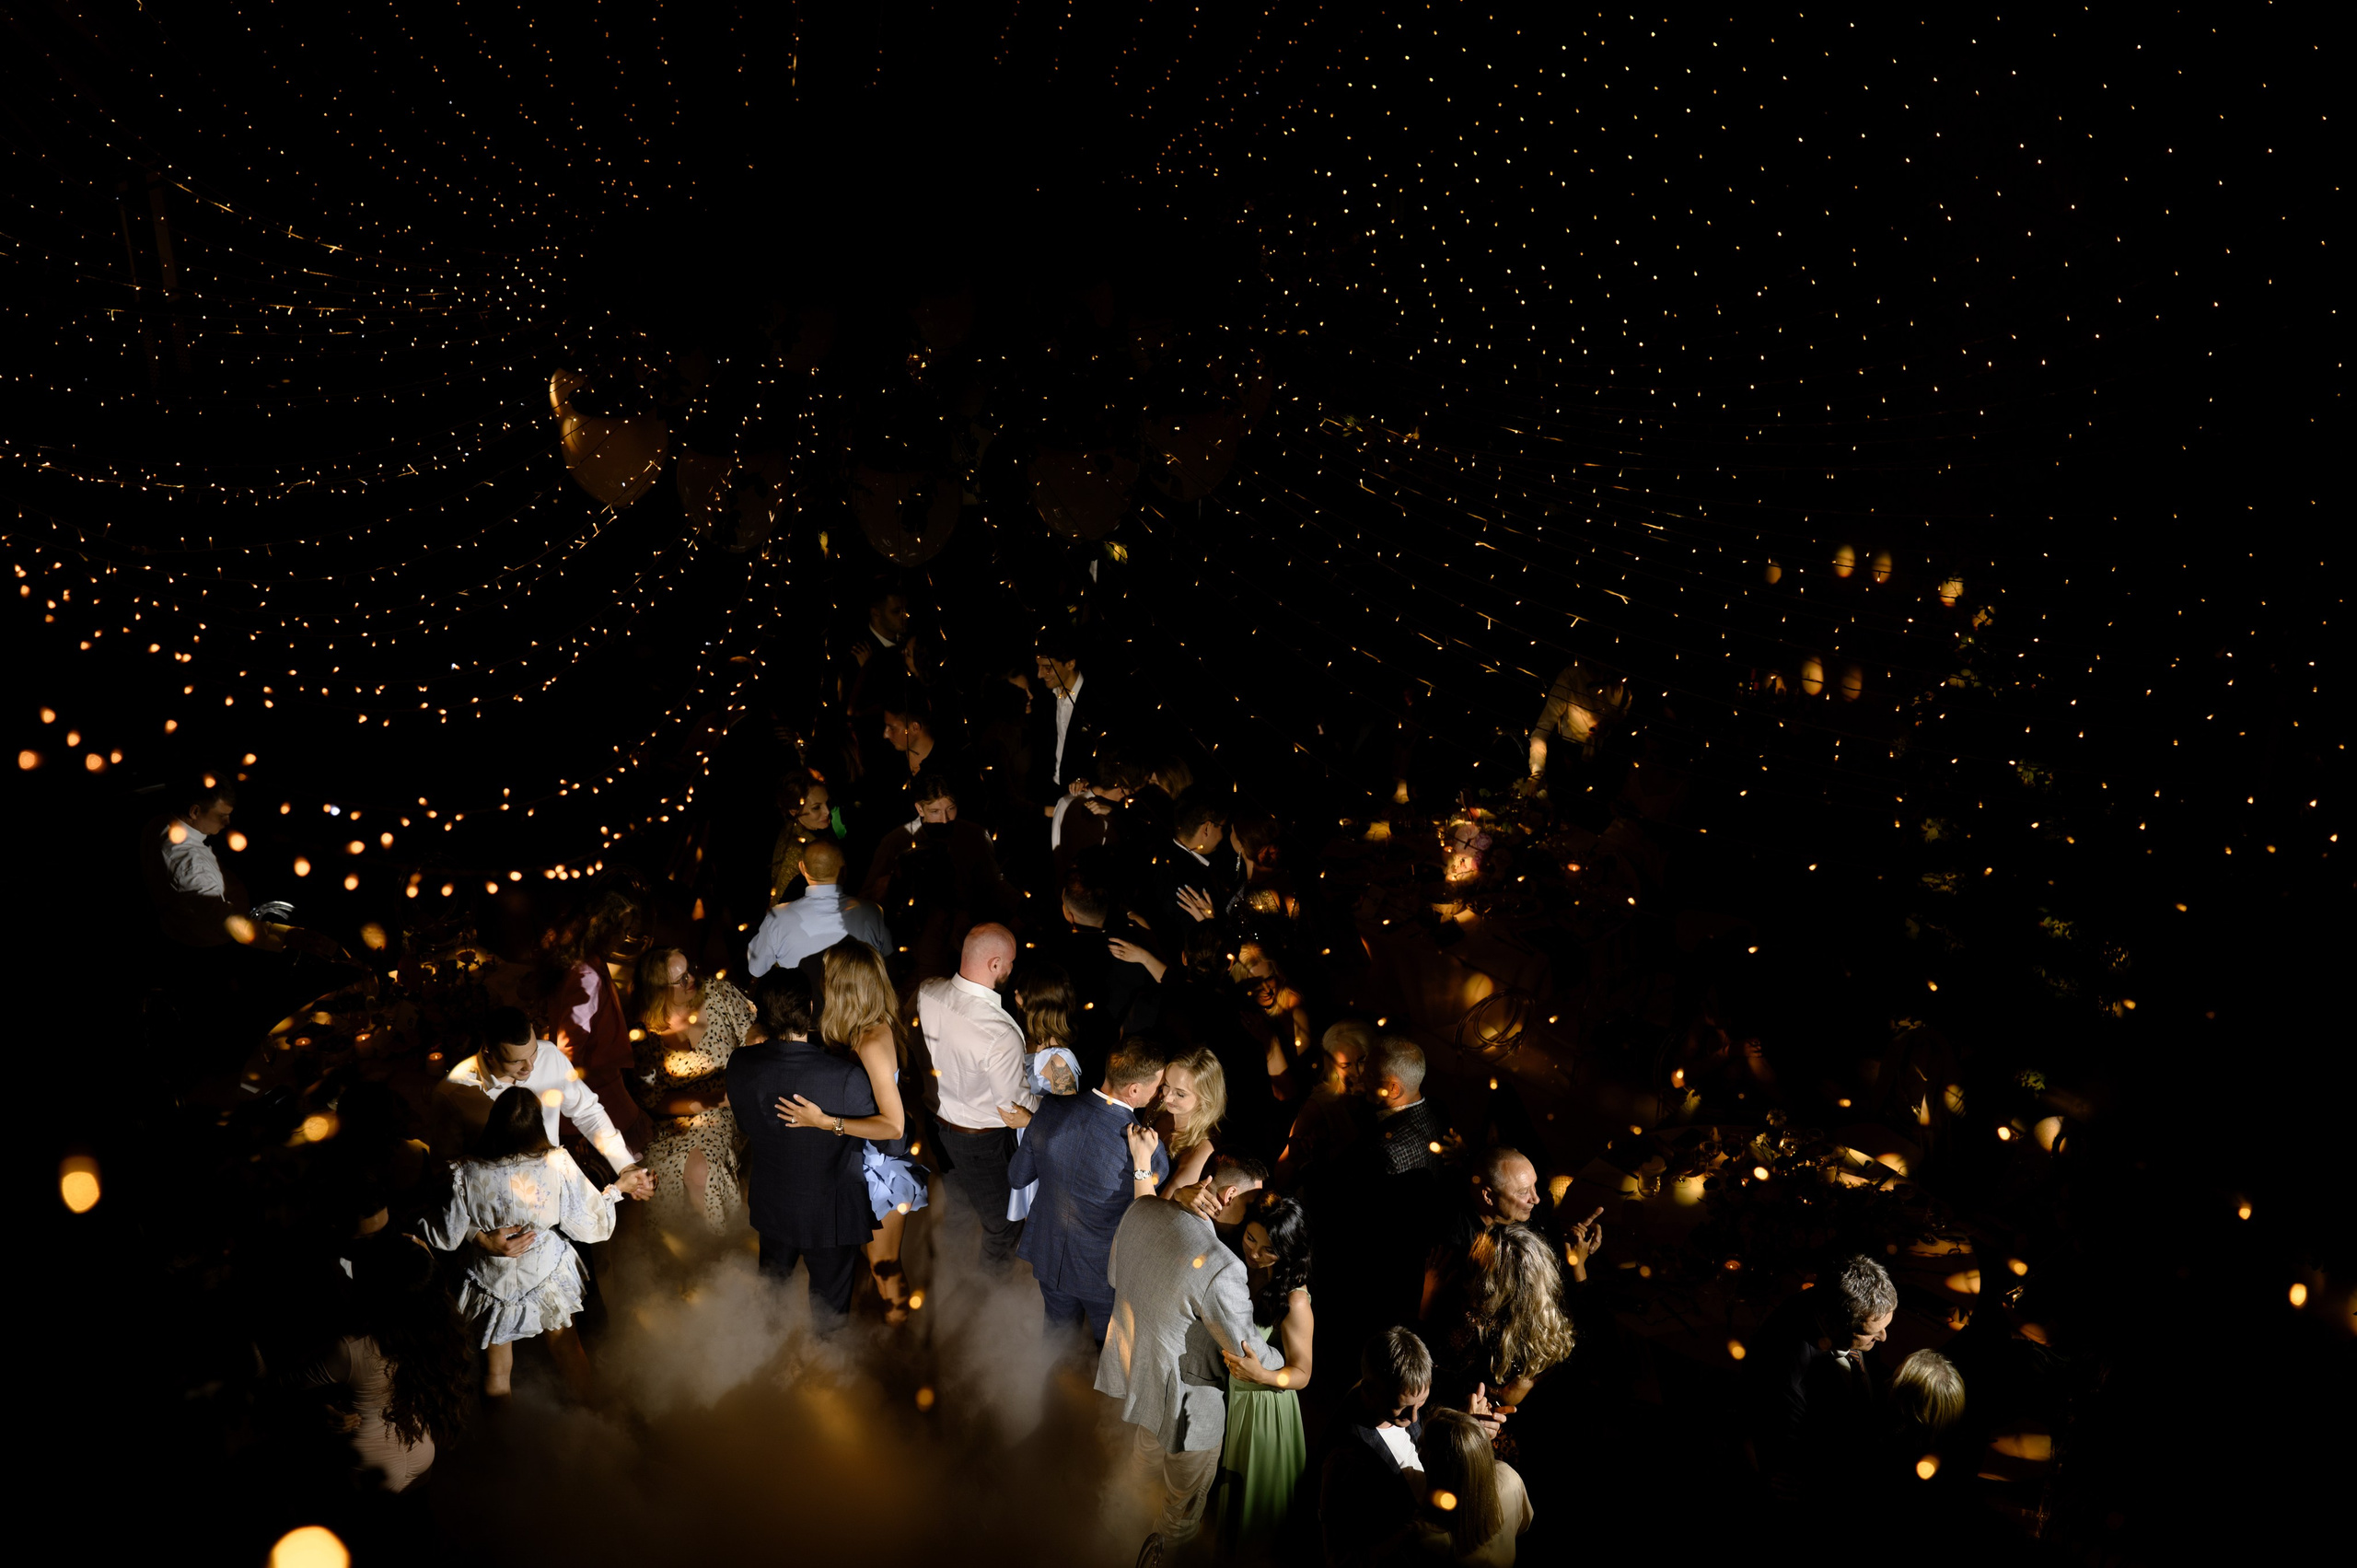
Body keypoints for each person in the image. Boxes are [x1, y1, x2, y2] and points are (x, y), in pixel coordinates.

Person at [1097, 1170, 1285, 1560]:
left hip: (1140, 1377)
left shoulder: (1142, 1209)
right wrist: (1284, 1362)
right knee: (1180, 1511)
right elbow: (1247, 1349)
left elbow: (1115, 1277)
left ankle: (1112, 1535)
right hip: (1189, 1408)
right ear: (1232, 1193)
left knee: (1140, 1470)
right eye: (1256, 1205)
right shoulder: (1223, 1266)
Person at [424, 1085, 644, 1398]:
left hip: (491, 1280)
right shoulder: (555, 1162)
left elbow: (446, 1234)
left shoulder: (466, 1170)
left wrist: (476, 1236)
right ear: (537, 1126)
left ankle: (503, 1443)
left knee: (497, 1371)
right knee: (569, 1352)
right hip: (545, 1275)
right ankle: (594, 1427)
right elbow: (587, 1223)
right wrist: (616, 1190)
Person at [772, 938, 925, 1321]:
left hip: (882, 1170)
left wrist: (826, 1122)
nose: (821, 984)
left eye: (827, 978)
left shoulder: (873, 1041)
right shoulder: (858, 1030)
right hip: (859, 1162)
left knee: (883, 1267)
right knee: (863, 1262)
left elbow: (893, 1124)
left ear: (841, 987)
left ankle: (899, 1350)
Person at [726, 969, 878, 1330]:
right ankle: (825, 1377)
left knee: (771, 1301)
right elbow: (889, 1139)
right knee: (829, 1319)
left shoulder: (740, 1064)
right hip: (830, 1215)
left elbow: (746, 1125)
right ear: (810, 1008)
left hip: (772, 1205)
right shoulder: (844, 1076)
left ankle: (764, 1369)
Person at [1004, 1038, 1171, 1342]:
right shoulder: (1149, 1151)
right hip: (1103, 1275)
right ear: (1134, 1090)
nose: (1161, 1093)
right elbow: (1146, 1215)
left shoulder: (1051, 1109)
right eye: (1158, 1086)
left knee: (1056, 1346)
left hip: (1050, 1255)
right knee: (1109, 1356)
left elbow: (1018, 1177)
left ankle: (1051, 1387)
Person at [302, 1233, 470, 1493]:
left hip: (368, 1464)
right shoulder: (443, 1328)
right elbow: (432, 1293)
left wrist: (320, 1408)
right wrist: (425, 1259)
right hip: (422, 1450)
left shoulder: (353, 1349)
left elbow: (279, 1388)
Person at [914, 923, 1037, 1268]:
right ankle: (980, 1300)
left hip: (935, 1128)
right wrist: (1059, 1103)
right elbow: (1014, 1108)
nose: (1012, 970)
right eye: (1011, 962)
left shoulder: (928, 991)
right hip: (979, 1144)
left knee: (959, 1204)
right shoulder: (999, 1033)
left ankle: (946, 1271)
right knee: (1003, 1226)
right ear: (995, 964)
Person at [431, 1007, 651, 1195]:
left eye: (533, 1053)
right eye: (516, 1061)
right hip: (498, 1207)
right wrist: (478, 1236)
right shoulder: (453, 1094)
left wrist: (625, 1165)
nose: (531, 1067)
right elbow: (445, 1172)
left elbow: (587, 1112)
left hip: (558, 1188)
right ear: (488, 1052)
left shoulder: (550, 1055)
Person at [1213, 1195, 1317, 1554]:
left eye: (1267, 1249)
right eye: (1250, 1239)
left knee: (1254, 1511)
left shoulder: (1295, 1301)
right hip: (1234, 1395)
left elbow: (1302, 1374)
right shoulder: (1240, 1265)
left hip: (1264, 1407)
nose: (1254, 1253)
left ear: (1288, 1251)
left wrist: (1262, 1375)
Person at [629, 948, 755, 1230]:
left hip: (731, 1107)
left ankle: (717, 1249)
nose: (691, 980)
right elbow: (653, 1099)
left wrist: (735, 1092)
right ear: (659, 990)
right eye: (681, 979)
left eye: (689, 970)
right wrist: (706, 1102)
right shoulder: (644, 1032)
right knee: (660, 1176)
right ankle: (675, 1259)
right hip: (673, 1120)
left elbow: (758, 1039)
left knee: (701, 1170)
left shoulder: (719, 995)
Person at [1751, 1253, 1898, 1482]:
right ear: (1832, 1322)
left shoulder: (1836, 1304)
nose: (1883, 1337)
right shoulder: (1789, 1378)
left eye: (1886, 1324)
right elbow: (1792, 1455)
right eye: (1870, 1332)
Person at [1423, 1147, 1606, 1316]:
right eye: (1523, 1192)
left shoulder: (1524, 1212)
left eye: (1534, 1186)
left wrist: (1572, 1233)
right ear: (1488, 1196)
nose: (1535, 1198)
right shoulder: (1459, 1248)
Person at [1423, 1224, 1579, 1414]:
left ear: (1489, 1285)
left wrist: (1428, 1301)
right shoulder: (1548, 1322)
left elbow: (1425, 1367)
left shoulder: (1470, 1325)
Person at [547, 886, 653, 1162]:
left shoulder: (584, 961)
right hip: (595, 1083)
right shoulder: (586, 975)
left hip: (601, 1078)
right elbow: (569, 1046)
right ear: (602, 929)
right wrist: (581, 1114)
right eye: (621, 928)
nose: (624, 936)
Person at [1318, 1329, 1437, 1568]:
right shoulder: (1346, 1459)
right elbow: (1339, 1559)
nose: (1414, 1418)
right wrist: (1405, 1536)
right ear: (1369, 1390)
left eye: (1421, 1403)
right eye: (1401, 1407)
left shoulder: (1402, 1399)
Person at [140, 771, 294, 947]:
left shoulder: (159, 822)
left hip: (175, 927)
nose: (227, 822)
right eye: (222, 815)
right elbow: (225, 922)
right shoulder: (190, 865)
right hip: (204, 945)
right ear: (195, 811)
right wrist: (286, 936)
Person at [1006, 962, 1085, 1222]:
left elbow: (1068, 1126)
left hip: (1043, 1156)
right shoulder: (1027, 1037)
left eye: (1023, 990)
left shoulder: (1058, 1060)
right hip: (1022, 1143)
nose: (1015, 992)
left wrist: (1028, 1120)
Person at [747, 840, 893, 977]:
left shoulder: (778, 917)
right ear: (844, 871)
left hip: (803, 1003)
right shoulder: (873, 911)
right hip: (861, 1002)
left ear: (802, 868)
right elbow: (888, 964)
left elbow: (756, 969)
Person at [1409, 1408, 1534, 1566]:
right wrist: (1467, 1437)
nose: (1418, 1453)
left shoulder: (1428, 1536)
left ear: (1437, 1466)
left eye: (1421, 1447)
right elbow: (1524, 1524)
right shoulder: (1509, 1478)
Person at [1276, 1020, 1373, 1193]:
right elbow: (1281, 1174)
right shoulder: (1319, 1106)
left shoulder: (1375, 1096)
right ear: (1333, 1067)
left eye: (1362, 1060)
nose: (1357, 1073)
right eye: (1346, 1065)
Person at [1518, 657, 1630, 796]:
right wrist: (1537, 772)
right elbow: (1542, 729)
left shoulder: (1622, 687)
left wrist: (1609, 723)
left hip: (1605, 765)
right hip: (1568, 759)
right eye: (1598, 670)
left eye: (1608, 672)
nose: (1602, 676)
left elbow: (1623, 712)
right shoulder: (1571, 679)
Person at [1153, 1045, 1228, 1191]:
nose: (1167, 1097)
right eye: (1166, 1085)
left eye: (1180, 1094)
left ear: (1205, 1098)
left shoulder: (1202, 1148)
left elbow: (1161, 1208)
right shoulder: (1158, 1106)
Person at [769, 773, 840, 905]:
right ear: (794, 811)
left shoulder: (809, 829)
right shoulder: (799, 851)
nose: (827, 811)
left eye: (827, 803)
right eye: (816, 807)